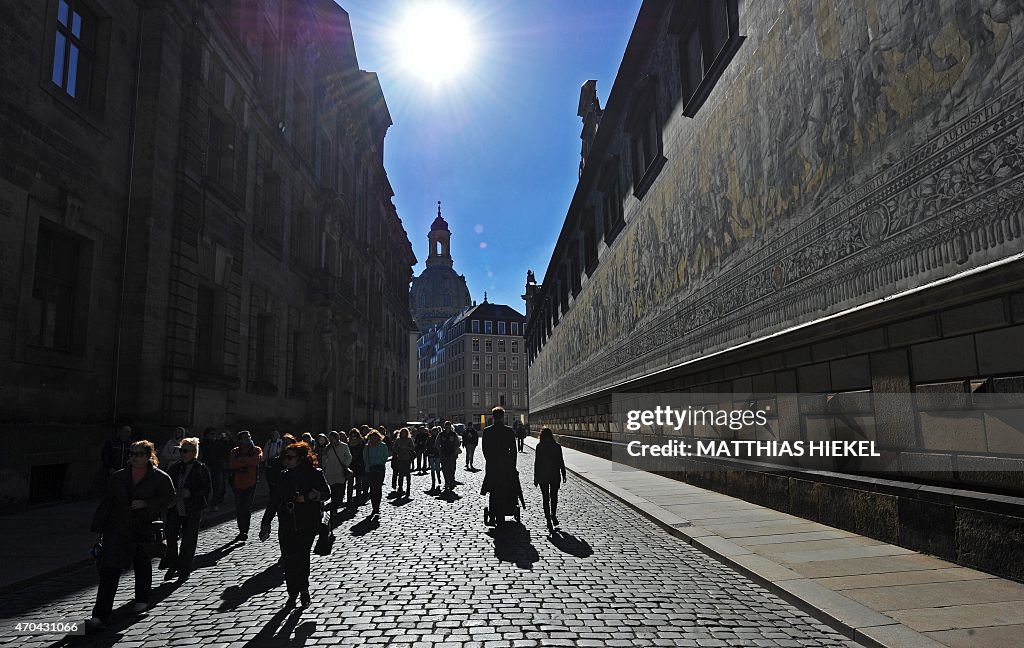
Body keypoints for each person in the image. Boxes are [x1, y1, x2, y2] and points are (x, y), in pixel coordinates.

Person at [86, 440, 174, 632]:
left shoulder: (159, 477)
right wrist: (97, 530)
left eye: (140, 454)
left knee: (142, 566)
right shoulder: (118, 477)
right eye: (133, 454)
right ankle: (100, 614)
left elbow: (169, 499)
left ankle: (141, 601)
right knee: (109, 571)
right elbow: (106, 503)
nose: (135, 457)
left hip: (143, 529)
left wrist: (146, 504)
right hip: (116, 530)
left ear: (149, 456)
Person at [258, 442, 330, 608]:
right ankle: (292, 592)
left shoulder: (314, 474)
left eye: (290, 457)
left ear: (300, 459)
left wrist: (315, 495)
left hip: (307, 523)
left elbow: (327, 494)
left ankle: (303, 590)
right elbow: (274, 500)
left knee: (302, 558)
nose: (286, 460)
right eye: (285, 457)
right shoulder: (283, 476)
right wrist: (266, 522)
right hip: (287, 523)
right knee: (289, 560)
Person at [162, 437, 212, 581]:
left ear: (193, 452)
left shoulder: (201, 468)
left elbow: (207, 489)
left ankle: (184, 568)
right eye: (181, 451)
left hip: (192, 509)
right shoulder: (174, 468)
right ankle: (172, 564)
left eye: (185, 451)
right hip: (175, 508)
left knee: (189, 540)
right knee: (171, 537)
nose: (182, 454)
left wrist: (191, 493)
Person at [228, 430, 262, 541]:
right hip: (237, 483)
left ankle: (244, 531)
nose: (248, 439)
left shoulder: (256, 450)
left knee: (246, 507)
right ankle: (241, 529)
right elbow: (232, 464)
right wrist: (246, 461)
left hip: (251, 483)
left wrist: (242, 460)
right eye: (245, 437)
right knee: (239, 508)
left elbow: (256, 461)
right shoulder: (235, 451)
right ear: (240, 440)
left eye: (249, 436)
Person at [534, 428, 567, 529]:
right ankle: (553, 514)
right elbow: (561, 461)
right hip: (554, 475)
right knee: (554, 496)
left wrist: (536, 477)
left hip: (543, 475)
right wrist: (564, 473)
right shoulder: (557, 446)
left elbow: (537, 463)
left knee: (545, 498)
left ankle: (548, 518)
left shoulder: (539, 446)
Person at [481, 406, 517, 495]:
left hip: (492, 463)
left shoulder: (487, 431)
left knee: (493, 487)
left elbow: (484, 449)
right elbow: (513, 450)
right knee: (505, 486)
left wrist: (489, 460)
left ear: (493, 417)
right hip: (505, 463)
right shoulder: (509, 431)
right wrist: (512, 464)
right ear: (503, 417)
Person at [320, 431, 352, 519]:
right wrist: (324, 467)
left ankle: (337, 503)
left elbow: (349, 456)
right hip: (331, 472)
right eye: (329, 439)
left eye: (332, 438)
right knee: (334, 491)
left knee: (340, 491)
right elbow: (324, 459)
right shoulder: (328, 448)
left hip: (341, 471)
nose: (331, 440)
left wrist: (345, 465)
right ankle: (333, 510)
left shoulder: (344, 446)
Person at [362, 430, 390, 518]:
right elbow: (365, 457)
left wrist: (382, 462)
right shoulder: (367, 447)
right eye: (372, 437)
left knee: (378, 487)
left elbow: (386, 456)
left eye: (375, 437)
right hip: (371, 468)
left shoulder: (383, 445)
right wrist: (367, 467)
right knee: (373, 488)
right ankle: (374, 506)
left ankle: (377, 506)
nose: (374, 439)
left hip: (380, 468)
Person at [203, 428, 229, 511]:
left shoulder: (219, 443)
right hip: (207, 466)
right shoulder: (204, 443)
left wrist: (226, 440)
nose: (213, 436)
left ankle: (214, 504)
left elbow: (226, 450)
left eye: (214, 434)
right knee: (206, 487)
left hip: (217, 467)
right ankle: (205, 504)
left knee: (217, 486)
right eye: (211, 434)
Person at [435, 422, 461, 492]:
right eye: (446, 427)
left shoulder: (454, 434)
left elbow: (457, 443)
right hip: (443, 454)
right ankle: (447, 482)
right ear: (444, 427)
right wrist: (440, 450)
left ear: (450, 427)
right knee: (444, 469)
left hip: (452, 454)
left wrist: (455, 449)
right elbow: (437, 443)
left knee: (452, 468)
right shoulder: (441, 434)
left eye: (448, 427)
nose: (447, 428)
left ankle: (451, 480)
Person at [391, 428, 415, 497]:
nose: (403, 434)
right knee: (400, 474)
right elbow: (394, 448)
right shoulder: (398, 440)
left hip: (407, 458)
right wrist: (399, 449)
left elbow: (412, 447)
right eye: (402, 432)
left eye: (405, 432)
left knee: (407, 473)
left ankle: (408, 487)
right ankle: (400, 487)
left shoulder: (409, 439)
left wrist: (407, 448)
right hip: (400, 458)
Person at [346, 428, 365, 505]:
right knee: (350, 484)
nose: (353, 437)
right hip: (350, 465)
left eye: (355, 436)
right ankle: (349, 500)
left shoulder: (361, 443)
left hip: (359, 465)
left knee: (358, 484)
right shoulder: (347, 444)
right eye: (352, 435)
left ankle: (358, 499)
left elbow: (363, 454)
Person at [426, 426, 442, 492]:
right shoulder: (429, 438)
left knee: (437, 468)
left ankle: (438, 478)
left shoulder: (439, 438)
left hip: (437, 455)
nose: (434, 432)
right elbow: (426, 446)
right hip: (431, 455)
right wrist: (429, 451)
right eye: (433, 431)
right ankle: (433, 481)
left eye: (435, 431)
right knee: (432, 469)